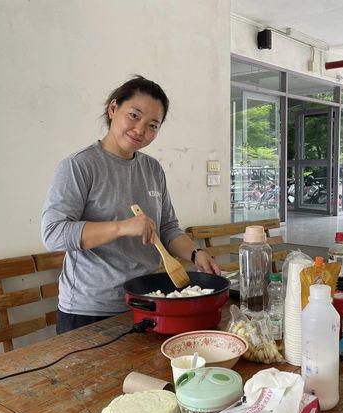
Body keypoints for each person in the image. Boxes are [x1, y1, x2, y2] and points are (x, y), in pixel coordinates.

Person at [42, 75, 220, 333]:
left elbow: (168, 228)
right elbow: (53, 234)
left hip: (147, 303)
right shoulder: (79, 166)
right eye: (134, 116)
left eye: (152, 125)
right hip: (91, 310)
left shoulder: (153, 169)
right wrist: (122, 227)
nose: (140, 130)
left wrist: (196, 254)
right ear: (113, 109)